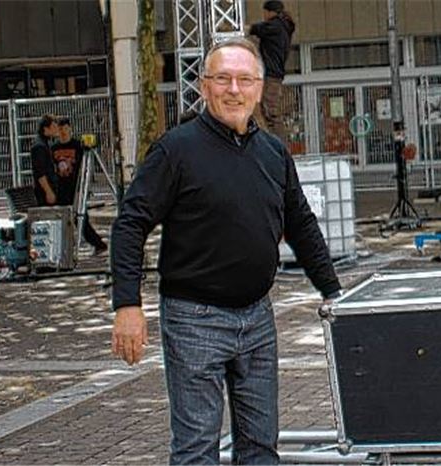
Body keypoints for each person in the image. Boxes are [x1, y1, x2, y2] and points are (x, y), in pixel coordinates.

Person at [110, 37, 341, 465]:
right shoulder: (175, 150)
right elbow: (130, 223)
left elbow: (301, 225)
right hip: (194, 319)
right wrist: (127, 304)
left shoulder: (273, 153)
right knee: (197, 448)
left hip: (257, 317)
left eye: (245, 80)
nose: (234, 89)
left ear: (258, 87)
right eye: (223, 79)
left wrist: (334, 292)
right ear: (204, 85)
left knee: (260, 445)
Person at [51, 116, 108, 254]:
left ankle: (98, 244)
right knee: (62, 219)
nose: (63, 132)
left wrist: (84, 188)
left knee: (80, 218)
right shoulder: (54, 148)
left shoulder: (77, 146)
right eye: (60, 129)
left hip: (76, 187)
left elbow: (86, 165)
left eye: (65, 128)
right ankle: (63, 248)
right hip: (61, 188)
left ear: (70, 129)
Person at [248, 0, 295, 141]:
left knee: (270, 113)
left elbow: (254, 29)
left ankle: (279, 146)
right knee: (266, 111)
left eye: (264, 12)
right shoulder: (283, 27)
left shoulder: (275, 26)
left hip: (271, 75)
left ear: (269, 12)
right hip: (273, 75)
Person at [30, 114, 59, 207]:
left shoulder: (46, 144)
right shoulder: (39, 147)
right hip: (43, 192)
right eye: (54, 127)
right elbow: (40, 173)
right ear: (46, 129)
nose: (56, 129)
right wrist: (48, 191)